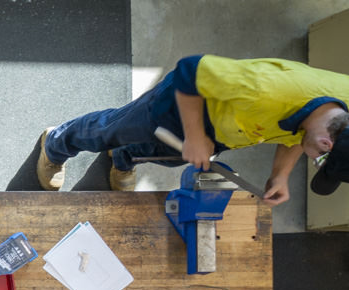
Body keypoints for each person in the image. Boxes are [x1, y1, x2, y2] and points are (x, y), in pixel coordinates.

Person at [37, 54, 349, 204]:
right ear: (326, 143)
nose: (313, 162)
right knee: (109, 129)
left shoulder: (332, 117)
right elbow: (190, 69)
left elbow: (302, 134)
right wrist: (196, 134)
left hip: (227, 130)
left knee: (163, 154)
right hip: (183, 103)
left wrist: (280, 174)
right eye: (321, 160)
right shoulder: (263, 88)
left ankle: (122, 159)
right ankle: (56, 144)